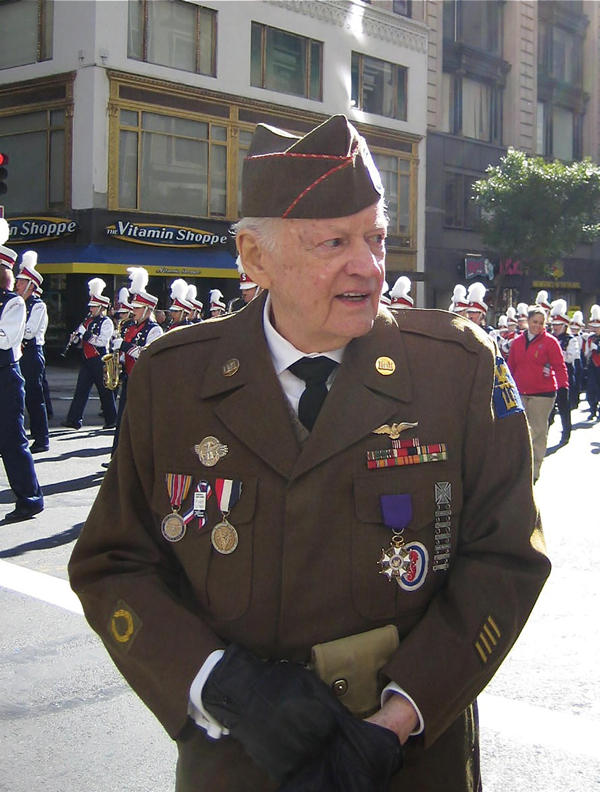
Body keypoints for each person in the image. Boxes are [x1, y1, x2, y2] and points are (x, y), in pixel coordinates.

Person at [69, 115, 550, 792]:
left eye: (376, 237)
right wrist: (219, 684)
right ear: (254, 257)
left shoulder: (459, 371)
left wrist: (399, 717)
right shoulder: (173, 378)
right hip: (241, 762)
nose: (370, 266)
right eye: (334, 241)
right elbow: (112, 561)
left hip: (408, 760)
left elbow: (505, 557)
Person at [0, 220, 44, 522]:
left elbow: (5, 338)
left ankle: (31, 497)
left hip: (5, 375)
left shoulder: (13, 302)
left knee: (12, 440)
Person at [508, 305, 569, 481]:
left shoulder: (550, 342)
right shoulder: (517, 342)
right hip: (520, 392)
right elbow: (511, 366)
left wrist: (563, 386)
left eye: (541, 323)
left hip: (543, 394)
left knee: (538, 432)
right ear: (527, 321)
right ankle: (519, 467)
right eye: (535, 322)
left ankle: (533, 471)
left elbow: (559, 366)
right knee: (519, 431)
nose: (538, 326)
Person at [109, 267, 163, 457]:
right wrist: (118, 358)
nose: (133, 312)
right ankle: (117, 456)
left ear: (148, 309)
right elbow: (127, 353)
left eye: (137, 308)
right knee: (122, 420)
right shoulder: (130, 327)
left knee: (140, 421)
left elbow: (147, 354)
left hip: (143, 380)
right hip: (129, 377)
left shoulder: (155, 330)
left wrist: (124, 347)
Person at [61, 278, 117, 430]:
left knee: (105, 391)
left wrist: (85, 335)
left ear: (101, 307)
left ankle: (112, 419)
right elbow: (82, 343)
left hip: (100, 359)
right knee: (81, 390)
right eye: (90, 306)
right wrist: (75, 339)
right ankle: (74, 419)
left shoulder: (107, 322)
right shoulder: (87, 321)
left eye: (93, 307)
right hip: (87, 360)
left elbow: (101, 341)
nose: (90, 309)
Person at [14, 250, 50, 453]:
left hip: (31, 353)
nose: (16, 285)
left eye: (20, 282)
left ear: (30, 285)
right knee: (17, 396)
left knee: (34, 398)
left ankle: (42, 438)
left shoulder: (38, 305)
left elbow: (29, 331)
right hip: (18, 352)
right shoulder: (17, 302)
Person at [548, 299, 579, 444]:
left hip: (564, 376)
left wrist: (558, 353)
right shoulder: (550, 338)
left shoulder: (570, 339)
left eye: (557, 325)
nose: (554, 328)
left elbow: (572, 356)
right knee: (549, 407)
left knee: (564, 406)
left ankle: (566, 432)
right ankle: (545, 432)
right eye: (553, 325)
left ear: (564, 325)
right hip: (550, 377)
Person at [583, 305, 600, 420]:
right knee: (591, 389)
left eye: (597, 327)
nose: (594, 329)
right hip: (592, 367)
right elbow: (586, 354)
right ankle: (592, 409)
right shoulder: (590, 338)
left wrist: (597, 348)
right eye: (593, 326)